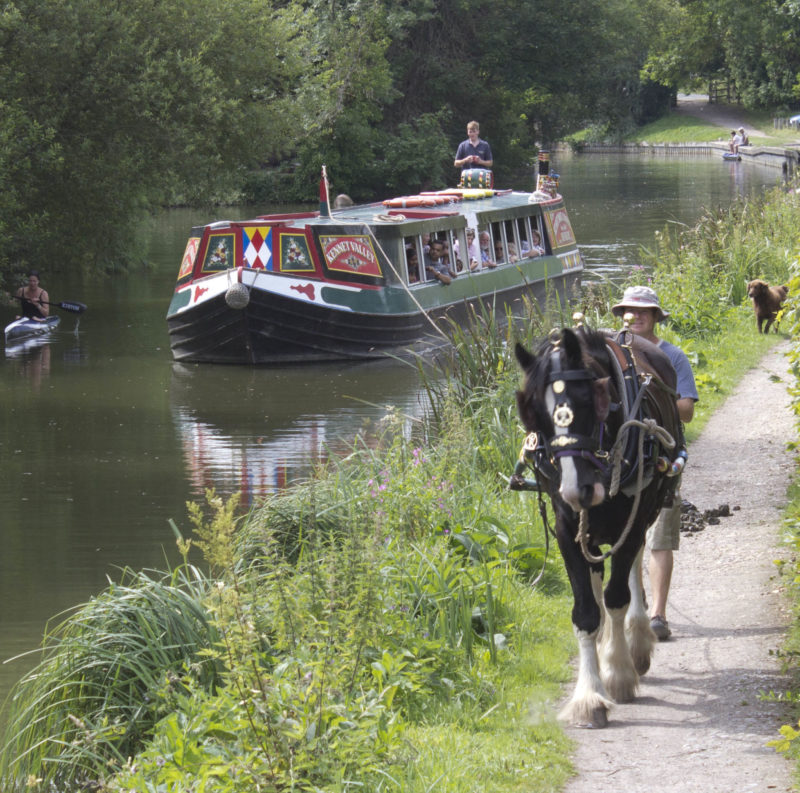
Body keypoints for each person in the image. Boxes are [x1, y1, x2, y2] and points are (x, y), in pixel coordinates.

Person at [611, 284, 699, 641]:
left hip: (660, 458)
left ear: (656, 317)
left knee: (660, 535)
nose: (637, 315)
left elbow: (688, 410)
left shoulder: (672, 357)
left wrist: (649, 400)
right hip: (622, 462)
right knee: (627, 537)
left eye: (644, 310)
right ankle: (636, 601)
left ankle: (659, 614)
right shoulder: (611, 356)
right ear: (622, 316)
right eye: (630, 310)